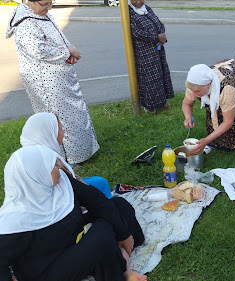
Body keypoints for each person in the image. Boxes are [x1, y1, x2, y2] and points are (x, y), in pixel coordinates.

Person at [0, 145, 147, 281]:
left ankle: (122, 256)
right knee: (102, 238)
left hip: (73, 239)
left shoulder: (61, 182)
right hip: (50, 269)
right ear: (36, 174)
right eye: (53, 165)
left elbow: (95, 199)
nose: (59, 167)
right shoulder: (14, 221)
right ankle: (124, 270)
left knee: (118, 205)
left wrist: (124, 234)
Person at [6, 0, 100, 165]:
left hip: (61, 76)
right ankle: (67, 159)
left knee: (74, 114)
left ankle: (81, 152)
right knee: (58, 119)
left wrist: (71, 51)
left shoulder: (43, 14)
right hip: (45, 80)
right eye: (44, 4)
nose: (49, 8)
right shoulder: (25, 22)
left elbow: (59, 37)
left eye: (51, 3)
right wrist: (67, 52)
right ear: (30, 2)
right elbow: (38, 49)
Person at [20, 112, 112, 198]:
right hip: (62, 197)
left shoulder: (28, 153)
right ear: (50, 134)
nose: (63, 133)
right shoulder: (49, 159)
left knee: (94, 180)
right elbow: (69, 185)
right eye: (60, 129)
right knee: (101, 183)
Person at [182, 59, 235, 157]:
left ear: (208, 84)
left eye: (197, 92)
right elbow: (187, 104)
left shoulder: (227, 89)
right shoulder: (195, 84)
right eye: (192, 91)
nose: (194, 94)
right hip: (226, 73)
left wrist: (206, 140)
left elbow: (228, 122)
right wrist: (188, 117)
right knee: (214, 110)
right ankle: (215, 143)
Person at [129, 0, 175, 114]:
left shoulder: (147, 8)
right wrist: (157, 37)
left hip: (157, 48)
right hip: (144, 53)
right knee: (148, 79)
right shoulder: (129, 13)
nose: (139, 2)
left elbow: (159, 24)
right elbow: (136, 33)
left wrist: (162, 38)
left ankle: (162, 101)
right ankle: (149, 106)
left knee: (161, 74)